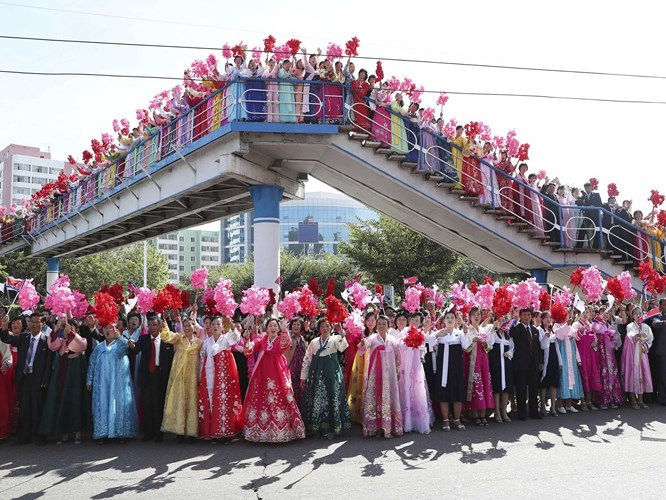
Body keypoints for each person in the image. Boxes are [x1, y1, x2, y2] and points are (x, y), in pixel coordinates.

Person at [242, 318, 305, 442]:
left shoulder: (281, 338)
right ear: (266, 329)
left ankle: (282, 430)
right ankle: (260, 431)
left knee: (281, 396)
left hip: (278, 372)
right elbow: (249, 350)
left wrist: (284, 330)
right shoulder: (262, 339)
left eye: (275, 326)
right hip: (262, 373)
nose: (273, 328)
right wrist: (247, 339)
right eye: (270, 325)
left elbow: (284, 345)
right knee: (260, 398)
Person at [0, 313, 52, 445]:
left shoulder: (46, 340)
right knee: (24, 407)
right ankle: (24, 436)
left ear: (42, 323)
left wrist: (45, 380)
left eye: (36, 322)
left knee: (37, 407)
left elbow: (48, 363)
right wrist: (5, 325)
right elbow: (6, 338)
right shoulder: (23, 337)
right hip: (23, 377)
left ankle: (39, 435)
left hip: (38, 378)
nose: (33, 324)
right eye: (31, 322)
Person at [39, 316, 88, 444]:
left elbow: (81, 346)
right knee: (61, 400)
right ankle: (63, 431)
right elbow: (52, 345)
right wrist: (56, 328)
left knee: (75, 401)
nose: (67, 330)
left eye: (71, 328)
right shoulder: (61, 341)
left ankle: (77, 432)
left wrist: (71, 332)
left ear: (76, 329)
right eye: (66, 327)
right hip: (61, 374)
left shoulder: (81, 339)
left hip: (75, 376)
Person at [87, 322, 139, 443]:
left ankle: (121, 433)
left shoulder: (120, 344)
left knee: (118, 404)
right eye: (105, 328)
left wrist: (119, 337)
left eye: (110, 328)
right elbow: (92, 364)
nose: (107, 331)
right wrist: (89, 380)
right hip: (102, 384)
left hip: (118, 383)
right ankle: (103, 433)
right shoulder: (99, 347)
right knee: (103, 404)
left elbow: (126, 349)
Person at [300, 318, 351, 438]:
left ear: (331, 328)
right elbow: (307, 359)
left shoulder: (334, 339)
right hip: (317, 374)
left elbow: (342, 347)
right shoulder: (314, 342)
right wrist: (303, 377)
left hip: (331, 373)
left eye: (327, 326)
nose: (325, 329)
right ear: (318, 328)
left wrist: (342, 335)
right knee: (318, 398)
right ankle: (317, 428)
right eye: (322, 326)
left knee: (332, 396)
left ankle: (333, 427)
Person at [130, 313, 175, 442]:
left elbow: (170, 360)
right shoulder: (143, 338)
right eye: (150, 325)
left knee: (158, 404)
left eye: (155, 325)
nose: (152, 327)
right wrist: (131, 345)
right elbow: (135, 351)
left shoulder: (167, 340)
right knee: (147, 404)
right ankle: (148, 432)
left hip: (159, 375)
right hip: (146, 376)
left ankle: (159, 433)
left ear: (160, 326)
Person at [198, 315, 243, 441]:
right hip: (210, 377)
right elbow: (202, 360)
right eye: (213, 324)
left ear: (223, 327)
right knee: (212, 401)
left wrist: (233, 326)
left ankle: (228, 432)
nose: (216, 327)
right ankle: (214, 431)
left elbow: (236, 337)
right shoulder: (206, 343)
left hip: (225, 378)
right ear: (209, 328)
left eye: (218, 324)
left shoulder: (227, 338)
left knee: (226, 401)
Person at [358, 315, 403, 438]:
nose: (381, 326)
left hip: (390, 375)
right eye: (379, 324)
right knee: (375, 397)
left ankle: (390, 427)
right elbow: (363, 347)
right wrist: (362, 342)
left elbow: (398, 358)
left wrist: (398, 372)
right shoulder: (372, 338)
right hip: (375, 375)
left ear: (388, 326)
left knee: (390, 398)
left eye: (384, 324)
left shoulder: (393, 340)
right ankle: (376, 427)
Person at [160, 316, 203, 441]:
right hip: (178, 376)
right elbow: (167, 336)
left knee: (191, 401)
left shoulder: (199, 343)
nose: (188, 328)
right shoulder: (178, 338)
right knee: (178, 401)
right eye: (185, 326)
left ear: (194, 327)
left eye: (190, 325)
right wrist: (164, 325)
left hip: (192, 377)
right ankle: (179, 431)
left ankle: (191, 432)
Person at [433, 310, 471, 431]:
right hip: (443, 368)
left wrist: (465, 328)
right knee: (444, 393)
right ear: (444, 320)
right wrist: (438, 335)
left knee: (457, 393)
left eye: (452, 318)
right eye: (447, 317)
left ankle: (457, 419)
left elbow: (466, 346)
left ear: (455, 320)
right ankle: (445, 420)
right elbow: (430, 344)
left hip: (456, 368)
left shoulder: (459, 333)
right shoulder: (439, 333)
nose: (449, 319)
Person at [395, 313, 433, 434]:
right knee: (405, 390)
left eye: (417, 320)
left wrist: (419, 350)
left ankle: (416, 421)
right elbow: (399, 346)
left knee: (417, 391)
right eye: (412, 319)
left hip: (416, 367)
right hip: (405, 366)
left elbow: (423, 350)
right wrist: (407, 342)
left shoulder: (421, 334)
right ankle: (405, 421)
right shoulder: (404, 332)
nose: (414, 322)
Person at [463, 308, 495, 426]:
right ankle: (475, 414)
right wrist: (473, 341)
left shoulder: (483, 330)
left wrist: (485, 343)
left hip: (483, 361)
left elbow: (489, 347)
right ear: (469, 317)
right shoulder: (467, 329)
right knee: (475, 385)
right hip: (472, 362)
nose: (476, 317)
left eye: (478, 315)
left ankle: (483, 414)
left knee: (484, 384)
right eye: (473, 315)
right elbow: (465, 347)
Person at [510, 309, 542, 420]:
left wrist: (540, 362)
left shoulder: (534, 330)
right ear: (520, 316)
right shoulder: (516, 329)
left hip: (533, 363)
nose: (526, 317)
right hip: (521, 363)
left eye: (528, 315)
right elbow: (510, 333)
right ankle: (522, 412)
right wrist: (512, 320)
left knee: (534, 388)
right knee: (521, 389)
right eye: (524, 315)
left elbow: (538, 347)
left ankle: (534, 411)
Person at [346, 311, 376, 421]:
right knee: (361, 383)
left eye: (373, 320)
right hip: (362, 359)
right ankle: (360, 414)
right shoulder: (361, 332)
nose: (370, 322)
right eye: (368, 320)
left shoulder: (379, 332)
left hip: (374, 359)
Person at [621, 307, 653, 409]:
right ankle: (633, 400)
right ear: (632, 315)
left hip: (642, 353)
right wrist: (636, 335)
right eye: (635, 313)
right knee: (632, 375)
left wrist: (645, 346)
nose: (638, 315)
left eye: (640, 313)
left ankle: (640, 400)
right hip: (632, 354)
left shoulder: (646, 326)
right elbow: (630, 335)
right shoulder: (630, 326)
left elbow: (650, 338)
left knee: (642, 375)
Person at [594, 312, 623, 409]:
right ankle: (603, 400)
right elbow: (595, 331)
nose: (605, 315)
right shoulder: (597, 325)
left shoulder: (610, 326)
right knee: (603, 374)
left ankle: (613, 398)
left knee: (612, 374)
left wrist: (613, 344)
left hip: (610, 354)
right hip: (601, 353)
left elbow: (616, 340)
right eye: (603, 313)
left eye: (607, 313)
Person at [554, 322, 584, 413]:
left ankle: (568, 405)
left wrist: (578, 359)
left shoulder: (570, 326)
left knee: (572, 381)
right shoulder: (556, 326)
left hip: (571, 358)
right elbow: (559, 337)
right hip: (563, 358)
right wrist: (559, 361)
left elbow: (575, 341)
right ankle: (560, 405)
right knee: (563, 380)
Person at [488, 319, 514, 422]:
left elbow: (513, 347)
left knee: (506, 388)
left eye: (505, 321)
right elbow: (489, 343)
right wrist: (493, 328)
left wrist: (509, 353)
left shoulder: (508, 335)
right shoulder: (494, 334)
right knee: (497, 388)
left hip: (506, 364)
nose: (503, 323)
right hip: (496, 363)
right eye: (501, 321)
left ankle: (504, 411)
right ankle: (497, 412)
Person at [538, 312, 561, 416]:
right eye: (546, 317)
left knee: (553, 383)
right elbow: (542, 346)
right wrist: (546, 336)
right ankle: (542, 406)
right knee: (543, 384)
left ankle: (553, 407)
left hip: (553, 358)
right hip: (544, 358)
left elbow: (556, 346)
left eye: (549, 317)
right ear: (542, 319)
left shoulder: (552, 330)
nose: (548, 319)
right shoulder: (540, 330)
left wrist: (560, 361)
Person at [646, 299, 666, 405]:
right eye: (664, 304)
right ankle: (662, 398)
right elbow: (655, 324)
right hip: (662, 351)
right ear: (661, 306)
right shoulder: (657, 316)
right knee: (663, 375)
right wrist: (664, 323)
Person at [285, 318, 307, 408]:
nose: (296, 326)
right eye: (294, 324)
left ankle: (300, 408)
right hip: (291, 365)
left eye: (298, 324)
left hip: (301, 366)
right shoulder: (288, 337)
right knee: (291, 387)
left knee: (301, 387)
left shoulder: (302, 338)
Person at [576, 182, 604, 249]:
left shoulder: (596, 195)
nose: (587, 189)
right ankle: (579, 246)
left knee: (596, 231)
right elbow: (578, 202)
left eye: (588, 187)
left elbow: (600, 204)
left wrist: (593, 206)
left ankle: (596, 247)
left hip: (595, 215)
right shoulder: (584, 196)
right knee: (582, 230)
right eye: (585, 187)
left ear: (591, 187)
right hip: (587, 216)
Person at [0, 330, 13, 440]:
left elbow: (8, 358)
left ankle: (2, 431)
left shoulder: (1, 340)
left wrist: (3, 368)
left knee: (2, 405)